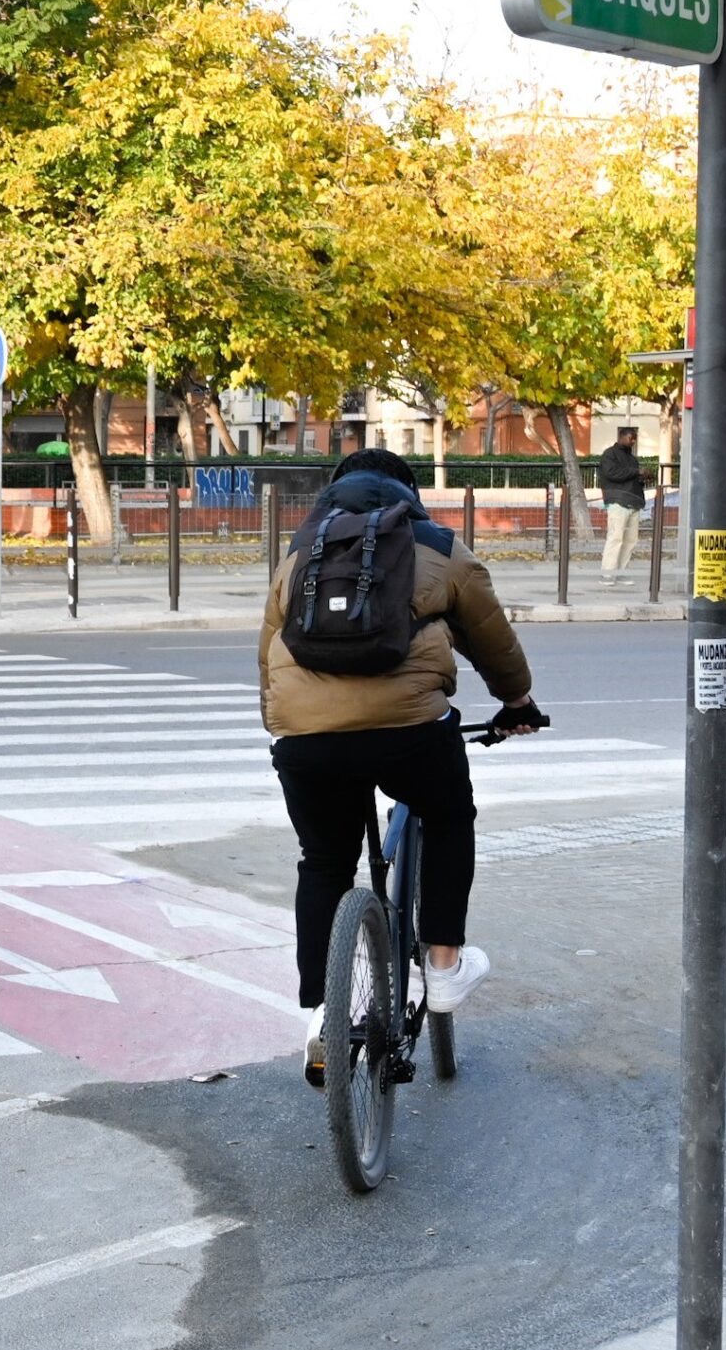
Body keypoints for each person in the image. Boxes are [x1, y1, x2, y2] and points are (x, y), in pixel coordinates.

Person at [262, 448, 544, 1077]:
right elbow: (490, 636)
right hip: (409, 732)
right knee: (448, 816)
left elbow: (269, 651)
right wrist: (516, 702)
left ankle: (324, 1017)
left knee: (324, 861)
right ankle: (443, 967)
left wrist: (285, 730)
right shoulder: (438, 545)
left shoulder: (301, 550)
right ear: (408, 495)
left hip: (305, 737)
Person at [598, 425, 646, 585]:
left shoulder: (632, 458)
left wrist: (643, 477)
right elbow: (612, 474)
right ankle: (607, 574)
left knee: (630, 540)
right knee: (615, 537)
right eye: (631, 438)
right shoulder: (609, 455)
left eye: (635, 439)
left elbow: (630, 477)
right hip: (617, 501)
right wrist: (636, 472)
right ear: (621, 436)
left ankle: (621, 572)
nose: (633, 441)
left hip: (633, 501)